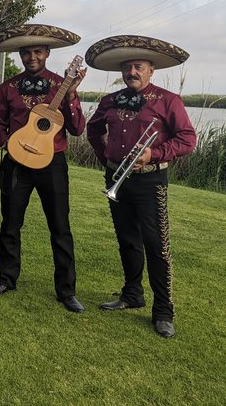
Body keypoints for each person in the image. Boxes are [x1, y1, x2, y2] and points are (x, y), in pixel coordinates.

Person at [85, 34, 197, 338]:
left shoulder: (168, 100)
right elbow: (93, 129)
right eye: (127, 67)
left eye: (138, 66)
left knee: (157, 246)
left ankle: (163, 311)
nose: (131, 72)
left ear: (151, 70)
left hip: (150, 180)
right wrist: (104, 154)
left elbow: (187, 138)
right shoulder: (110, 100)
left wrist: (154, 153)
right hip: (115, 178)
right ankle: (132, 294)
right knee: (127, 240)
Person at [0, 24, 87, 314]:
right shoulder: (8, 88)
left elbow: (78, 129)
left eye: (38, 51)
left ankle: (67, 290)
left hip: (52, 162)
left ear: (47, 53)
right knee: (10, 223)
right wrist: (10, 143)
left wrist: (71, 96)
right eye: (27, 52)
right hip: (17, 163)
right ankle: (6, 278)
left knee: (60, 227)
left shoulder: (61, 85)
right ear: (20, 54)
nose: (32, 56)